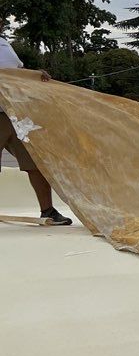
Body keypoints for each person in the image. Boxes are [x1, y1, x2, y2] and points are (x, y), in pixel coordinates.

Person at [0, 36, 74, 226]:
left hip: (15, 112)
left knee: (35, 162)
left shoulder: (4, 43)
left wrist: (34, 75)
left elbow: (18, 72)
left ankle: (47, 210)